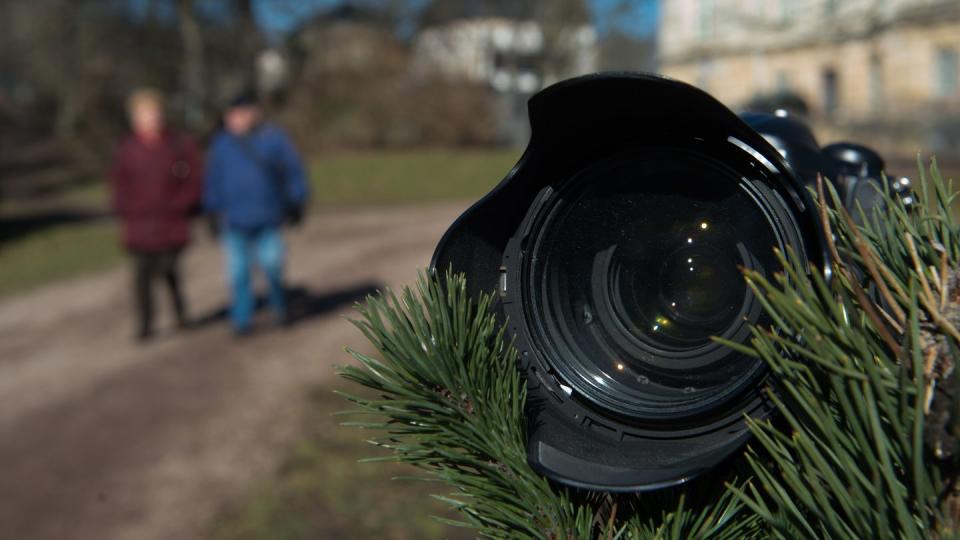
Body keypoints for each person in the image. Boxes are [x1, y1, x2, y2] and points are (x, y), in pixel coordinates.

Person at [204, 90, 309, 336]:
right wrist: (211, 210)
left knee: (272, 265)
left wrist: (297, 202)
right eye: (231, 114)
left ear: (253, 113)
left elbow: (293, 171)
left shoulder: (273, 139)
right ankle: (241, 319)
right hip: (235, 221)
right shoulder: (221, 145)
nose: (235, 119)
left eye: (240, 113)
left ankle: (279, 308)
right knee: (238, 273)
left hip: (269, 217)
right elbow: (213, 181)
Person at [110, 88, 202, 342]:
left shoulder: (178, 145)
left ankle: (180, 314)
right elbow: (118, 185)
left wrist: (183, 203)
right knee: (141, 278)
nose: (150, 118)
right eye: (144, 114)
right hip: (140, 224)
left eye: (153, 113)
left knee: (169, 271)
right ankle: (145, 323)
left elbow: (192, 178)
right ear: (135, 118)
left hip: (171, 222)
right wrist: (126, 208)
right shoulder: (126, 150)